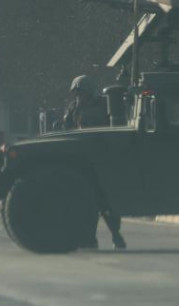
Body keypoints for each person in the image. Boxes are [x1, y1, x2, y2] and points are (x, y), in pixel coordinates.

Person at [63, 75, 126, 249]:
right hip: (83, 160)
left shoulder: (104, 105)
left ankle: (115, 234)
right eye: (76, 92)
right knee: (87, 203)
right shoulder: (74, 108)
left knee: (108, 203)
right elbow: (67, 128)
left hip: (103, 158)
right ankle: (89, 239)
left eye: (81, 91)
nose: (78, 95)